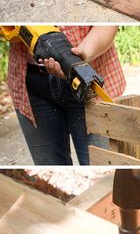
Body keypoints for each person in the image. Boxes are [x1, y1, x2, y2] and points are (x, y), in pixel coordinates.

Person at [7, 25, 125, 165]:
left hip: (89, 75)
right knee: (49, 165)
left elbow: (107, 24)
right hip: (31, 84)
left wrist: (80, 57)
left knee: (101, 168)